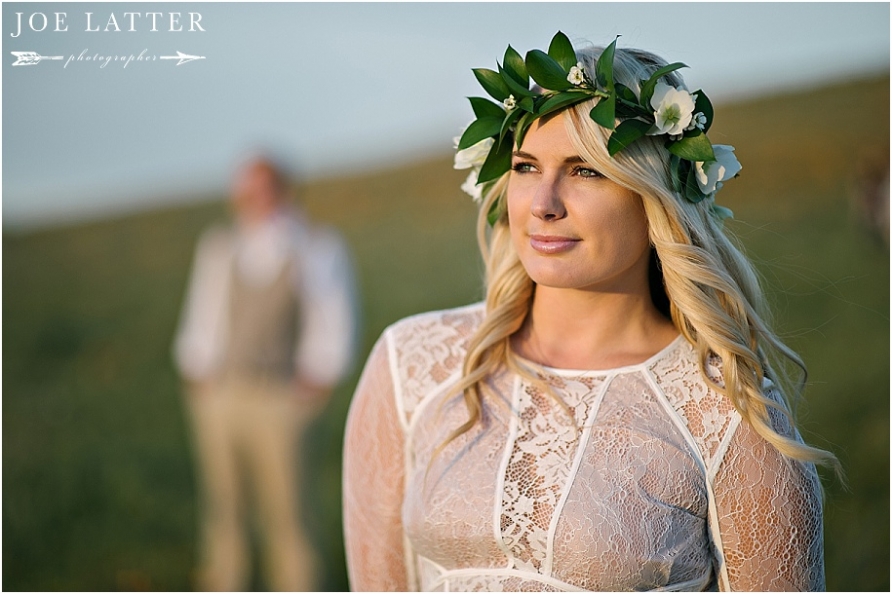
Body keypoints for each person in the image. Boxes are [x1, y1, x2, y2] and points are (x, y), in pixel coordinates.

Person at [342, 32, 839, 592]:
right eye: (527, 167)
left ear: (654, 195)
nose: (544, 204)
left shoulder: (728, 413)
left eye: (586, 171)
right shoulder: (412, 365)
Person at [173, 155, 357, 591]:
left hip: (281, 399)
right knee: (222, 508)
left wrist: (314, 382)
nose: (253, 199)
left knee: (289, 513)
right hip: (221, 396)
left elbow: (334, 320)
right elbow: (203, 315)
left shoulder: (316, 246)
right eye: (246, 190)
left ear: (283, 189)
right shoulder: (221, 245)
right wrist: (200, 379)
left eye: (263, 188)